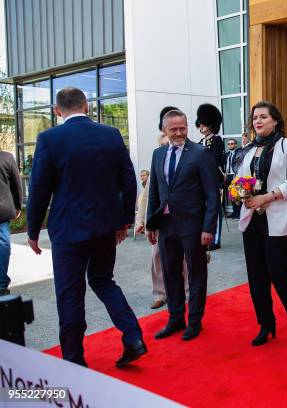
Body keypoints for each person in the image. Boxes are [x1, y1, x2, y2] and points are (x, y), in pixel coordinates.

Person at [26, 87, 146, 368]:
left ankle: (74, 360)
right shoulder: (110, 135)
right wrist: (124, 221)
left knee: (70, 291)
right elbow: (128, 180)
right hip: (106, 226)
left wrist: (33, 231)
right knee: (104, 280)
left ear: (58, 111)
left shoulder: (49, 139)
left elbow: (39, 189)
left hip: (68, 230)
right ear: (87, 106)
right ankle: (133, 336)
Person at [235, 100, 287, 349]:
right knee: (256, 277)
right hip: (251, 219)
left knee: (278, 273)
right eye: (255, 117)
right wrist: (240, 194)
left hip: (274, 217)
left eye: (263, 117)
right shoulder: (247, 149)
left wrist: (266, 197)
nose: (258, 121)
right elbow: (239, 180)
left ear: (275, 120)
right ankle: (266, 325)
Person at [146, 109, 219, 341]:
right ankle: (176, 318)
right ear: (164, 130)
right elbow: (155, 192)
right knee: (170, 273)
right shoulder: (158, 154)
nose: (179, 133)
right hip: (166, 225)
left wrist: (208, 228)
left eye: (183, 128)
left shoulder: (200, 153)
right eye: (173, 129)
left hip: (193, 226)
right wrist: (150, 224)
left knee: (197, 273)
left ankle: (195, 321)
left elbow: (212, 194)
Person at [135, 106, 189, 310]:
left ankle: (186, 291)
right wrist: (142, 221)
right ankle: (160, 293)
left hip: (183, 218)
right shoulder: (158, 157)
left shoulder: (191, 155)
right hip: (160, 218)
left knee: (185, 257)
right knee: (157, 256)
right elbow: (148, 195)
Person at [196, 104, 225, 251]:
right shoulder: (200, 142)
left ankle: (216, 240)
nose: (201, 126)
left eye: (203, 123)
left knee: (216, 211)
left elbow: (216, 161)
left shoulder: (216, 140)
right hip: (201, 181)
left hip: (213, 180)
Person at [0, 151, 23, 296]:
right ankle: (1, 284)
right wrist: (18, 206)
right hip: (1, 211)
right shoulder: (6, 157)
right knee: (2, 244)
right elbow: (16, 184)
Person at [223, 138, 241, 219]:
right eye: (229, 144)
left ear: (235, 145)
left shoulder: (238, 153)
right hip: (228, 176)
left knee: (236, 195)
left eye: (232, 143)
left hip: (235, 176)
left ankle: (238, 214)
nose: (230, 145)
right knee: (231, 196)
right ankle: (234, 212)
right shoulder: (226, 155)